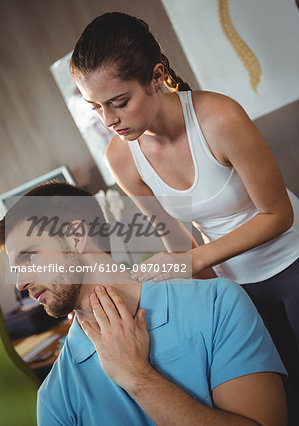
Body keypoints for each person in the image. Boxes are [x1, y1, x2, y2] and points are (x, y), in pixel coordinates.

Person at [69, 12, 299, 396]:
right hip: (235, 283)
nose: (109, 119)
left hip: (292, 262)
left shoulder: (219, 117)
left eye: (119, 102)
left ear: (157, 77)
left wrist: (191, 261)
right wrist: (219, 298)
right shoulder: (122, 158)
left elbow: (279, 215)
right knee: (281, 396)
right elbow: (179, 246)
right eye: (96, 107)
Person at [0, 182, 288, 425]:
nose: (20, 283)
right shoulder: (54, 397)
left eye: (29, 256)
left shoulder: (218, 302)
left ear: (76, 236)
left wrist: (138, 378)